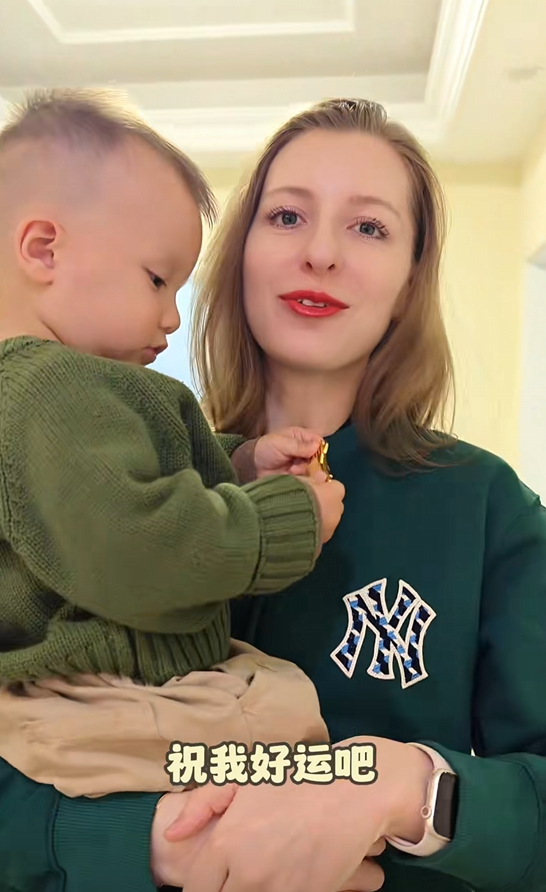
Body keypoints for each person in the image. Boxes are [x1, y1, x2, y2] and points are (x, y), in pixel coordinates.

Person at [3, 96, 546, 892]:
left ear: (408, 280)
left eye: (369, 227)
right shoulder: (90, 474)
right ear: (240, 253)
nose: (320, 254)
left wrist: (407, 788)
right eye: (287, 217)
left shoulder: (488, 508)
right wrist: (138, 839)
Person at [0, 87, 347, 805]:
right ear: (43, 250)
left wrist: (241, 464)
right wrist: (283, 521)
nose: (168, 317)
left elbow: (110, 482)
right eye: (157, 279)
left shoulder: (52, 398)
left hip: (112, 699)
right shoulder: (49, 390)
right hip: (107, 700)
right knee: (319, 763)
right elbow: (136, 547)